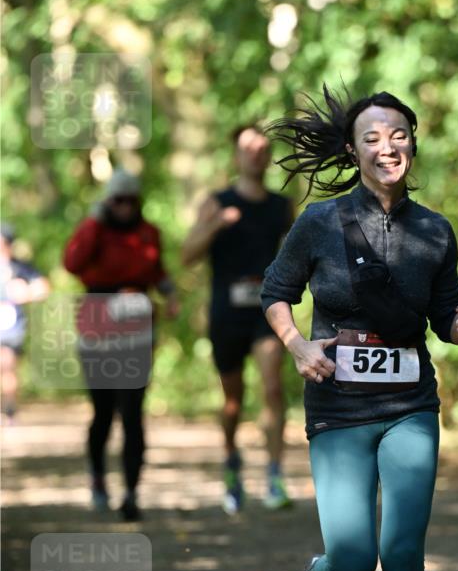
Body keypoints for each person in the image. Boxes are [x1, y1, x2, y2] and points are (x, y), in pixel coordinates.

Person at [261, 85, 458, 571]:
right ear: (354, 150)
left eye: (399, 135)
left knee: (405, 551)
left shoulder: (435, 229)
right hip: (337, 403)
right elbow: (276, 293)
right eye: (373, 138)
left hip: (411, 402)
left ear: (414, 140)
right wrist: (299, 346)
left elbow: (446, 312)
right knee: (355, 559)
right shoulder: (320, 223)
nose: (388, 147)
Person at [182, 124, 294, 514]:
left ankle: (275, 476)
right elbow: (186, 254)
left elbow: (297, 257)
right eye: (249, 147)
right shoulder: (216, 201)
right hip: (226, 313)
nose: (257, 154)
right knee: (233, 400)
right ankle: (231, 460)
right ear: (236, 155)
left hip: (268, 311)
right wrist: (216, 224)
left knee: (273, 386)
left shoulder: (281, 206)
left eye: (263, 147)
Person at [63, 169, 178, 521]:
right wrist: (94, 223)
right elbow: (72, 263)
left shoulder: (148, 233)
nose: (125, 207)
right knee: (102, 410)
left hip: (136, 328)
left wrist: (170, 295)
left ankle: (131, 492)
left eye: (131, 200)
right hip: (98, 326)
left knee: (132, 411)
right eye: (118, 200)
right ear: (108, 201)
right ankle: (98, 478)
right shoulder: (94, 229)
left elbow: (157, 272)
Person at [0, 223, 50, 422]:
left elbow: (43, 288)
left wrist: (26, 293)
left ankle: (10, 408)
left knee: (7, 364)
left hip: (11, 327)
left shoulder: (20, 268)